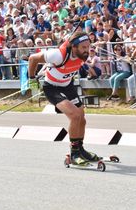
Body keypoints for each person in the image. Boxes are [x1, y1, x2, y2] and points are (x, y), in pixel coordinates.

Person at [28, 32, 99, 166]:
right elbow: (33, 58)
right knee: (74, 115)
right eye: (83, 47)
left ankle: (80, 149)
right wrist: (32, 79)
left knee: (82, 118)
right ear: (74, 47)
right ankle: (74, 153)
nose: (87, 51)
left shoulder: (81, 55)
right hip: (52, 88)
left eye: (88, 47)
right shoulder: (58, 55)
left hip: (67, 86)